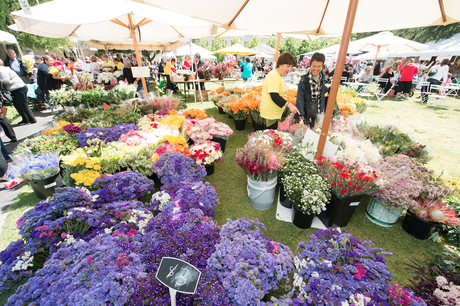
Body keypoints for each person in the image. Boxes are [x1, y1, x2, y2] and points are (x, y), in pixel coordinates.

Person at [260, 51, 299, 130]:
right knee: (269, 137)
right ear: (280, 64)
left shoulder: (279, 76)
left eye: (291, 66)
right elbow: (274, 96)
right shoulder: (274, 76)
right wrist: (289, 105)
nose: (289, 69)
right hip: (270, 114)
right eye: (287, 66)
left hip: (274, 113)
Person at [295, 52, 329, 129]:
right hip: (306, 112)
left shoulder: (323, 78)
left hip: (319, 110)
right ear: (310, 65)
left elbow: (321, 90)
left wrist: (328, 89)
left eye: (319, 66)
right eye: (314, 66)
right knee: (304, 133)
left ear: (322, 66)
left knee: (317, 133)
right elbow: (300, 98)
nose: (316, 69)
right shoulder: (304, 80)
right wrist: (301, 113)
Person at [0, 59, 36, 125]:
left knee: (23, 105)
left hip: (19, 88)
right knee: (17, 105)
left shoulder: (1, 69)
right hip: (14, 89)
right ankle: (25, 119)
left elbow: (6, 80)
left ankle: (32, 119)